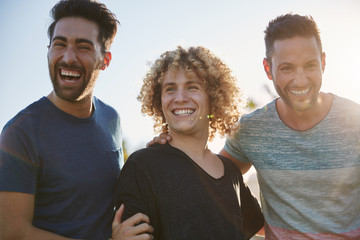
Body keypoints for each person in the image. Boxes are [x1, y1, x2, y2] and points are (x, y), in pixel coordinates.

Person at [153, 14, 360, 239]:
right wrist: (172, 148)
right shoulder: (251, 131)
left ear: (323, 62)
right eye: (287, 68)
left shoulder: (355, 123)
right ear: (268, 68)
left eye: (310, 66)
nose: (300, 80)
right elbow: (212, 180)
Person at [0, 0, 152, 239]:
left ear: (105, 60)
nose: (68, 58)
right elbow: (13, 233)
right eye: (60, 44)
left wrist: (160, 151)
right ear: (49, 50)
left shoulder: (112, 119)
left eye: (83, 47)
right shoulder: (20, 132)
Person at [113, 46, 264, 240]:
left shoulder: (231, 172)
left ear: (214, 97)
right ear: (159, 101)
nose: (180, 98)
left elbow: (267, 227)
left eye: (192, 87)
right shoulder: (142, 166)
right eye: (170, 89)